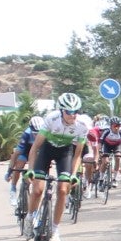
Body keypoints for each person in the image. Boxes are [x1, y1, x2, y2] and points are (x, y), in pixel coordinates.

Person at [27, 93, 92, 224]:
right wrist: (30, 169)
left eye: (76, 111)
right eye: (69, 111)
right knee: (38, 190)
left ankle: (55, 228)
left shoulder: (82, 125)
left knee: (63, 190)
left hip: (64, 152)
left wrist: (73, 174)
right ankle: (30, 216)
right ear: (62, 111)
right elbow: (35, 147)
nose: (73, 115)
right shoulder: (51, 119)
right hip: (47, 149)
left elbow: (77, 154)